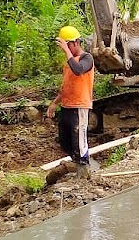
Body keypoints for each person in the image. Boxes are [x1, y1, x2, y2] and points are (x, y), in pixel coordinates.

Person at [46, 26, 94, 179]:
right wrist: (54, 103)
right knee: (65, 140)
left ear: (75, 43)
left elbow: (79, 70)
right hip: (66, 105)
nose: (64, 50)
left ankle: (83, 171)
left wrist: (67, 52)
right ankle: (77, 165)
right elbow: (65, 86)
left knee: (79, 140)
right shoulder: (69, 63)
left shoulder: (87, 58)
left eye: (67, 46)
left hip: (79, 105)